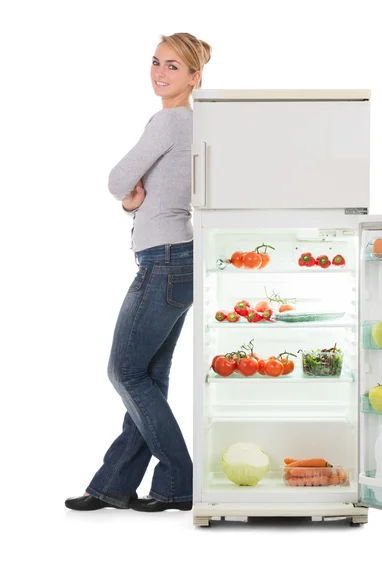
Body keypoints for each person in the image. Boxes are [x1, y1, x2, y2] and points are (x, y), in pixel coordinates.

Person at [65, 33, 212, 512]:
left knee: (124, 370)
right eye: (155, 62)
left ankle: (181, 479)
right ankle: (114, 484)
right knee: (149, 374)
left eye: (173, 67)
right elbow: (153, 192)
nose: (159, 73)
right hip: (179, 256)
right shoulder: (197, 123)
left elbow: (114, 180)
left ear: (194, 77)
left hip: (164, 260)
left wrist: (128, 196)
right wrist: (134, 200)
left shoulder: (168, 121)